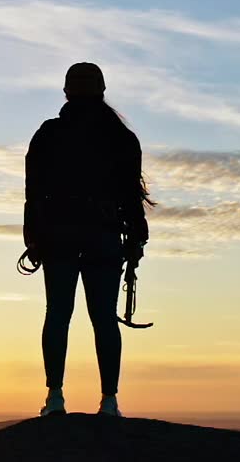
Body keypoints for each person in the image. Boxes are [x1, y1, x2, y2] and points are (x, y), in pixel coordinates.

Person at [23, 62, 152, 418]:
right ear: (102, 90)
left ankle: (54, 398)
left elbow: (33, 191)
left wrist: (32, 236)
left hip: (59, 236)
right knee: (104, 318)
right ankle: (109, 401)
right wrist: (136, 239)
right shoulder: (120, 137)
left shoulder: (48, 134)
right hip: (104, 236)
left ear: (66, 92)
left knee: (58, 314)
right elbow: (131, 195)